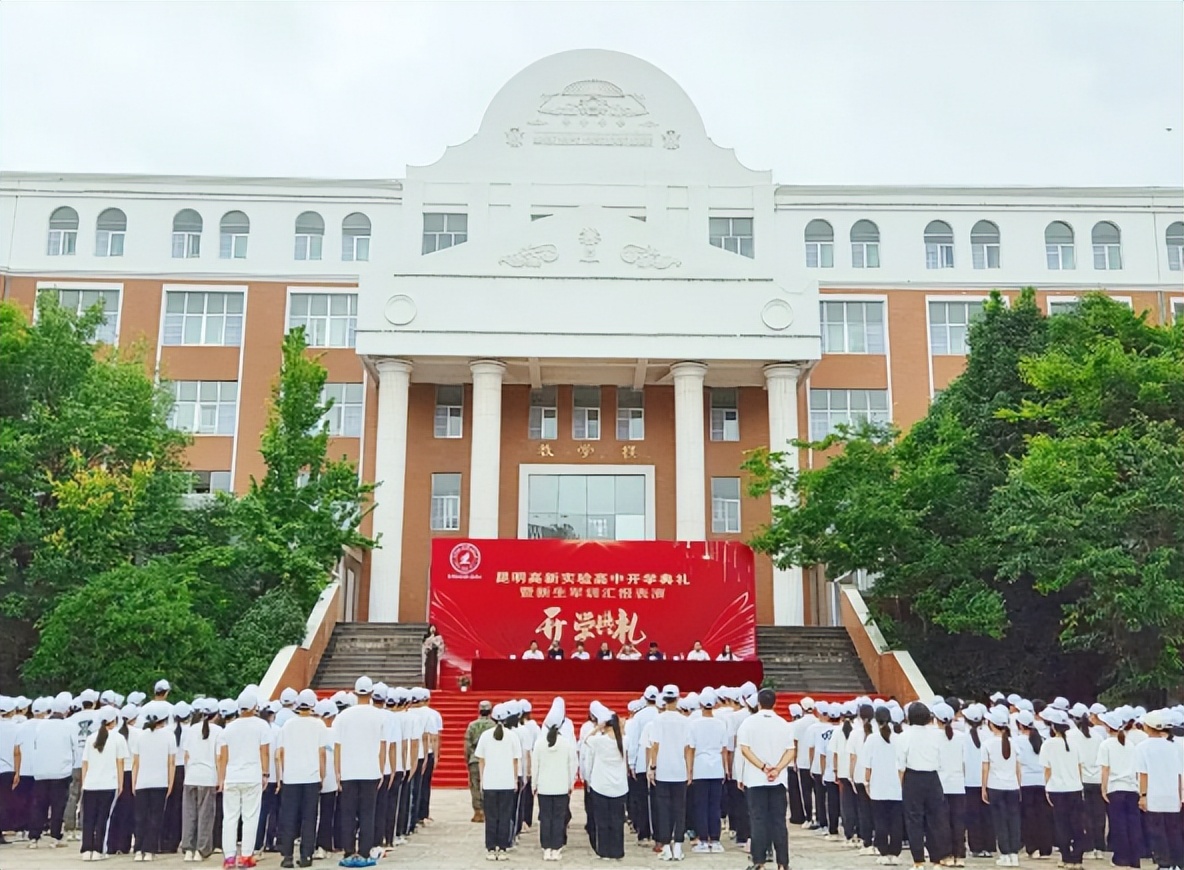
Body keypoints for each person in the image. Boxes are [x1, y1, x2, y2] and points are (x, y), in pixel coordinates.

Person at [736, 687, 795, 870]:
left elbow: (745, 749)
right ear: (774, 703)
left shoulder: (748, 723)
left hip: (756, 779)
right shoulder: (783, 724)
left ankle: (759, 862)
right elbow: (791, 751)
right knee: (779, 822)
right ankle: (783, 863)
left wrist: (763, 767)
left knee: (758, 821)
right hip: (778, 780)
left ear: (759, 703)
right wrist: (777, 769)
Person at [334, 676, 387, 867]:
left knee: (348, 813)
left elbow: (337, 747)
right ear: (371, 693)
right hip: (370, 771)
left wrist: (337, 772)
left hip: (348, 771)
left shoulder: (343, 716)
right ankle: (364, 851)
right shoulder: (379, 716)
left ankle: (349, 850)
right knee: (367, 814)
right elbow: (383, 747)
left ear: (355, 693)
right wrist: (381, 770)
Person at [217, 690, 270, 870]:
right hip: (252, 775)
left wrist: (221, 778)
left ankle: (229, 857)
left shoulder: (228, 728)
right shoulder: (261, 726)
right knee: (250, 817)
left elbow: (223, 757)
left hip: (232, 776)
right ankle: (246, 855)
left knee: (230, 817)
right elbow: (264, 752)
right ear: (255, 707)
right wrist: (265, 773)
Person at [276, 689, 326, 870]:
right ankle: (306, 855)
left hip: (291, 777)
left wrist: (283, 774)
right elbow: (322, 753)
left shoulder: (288, 725)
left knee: (289, 817)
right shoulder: (319, 725)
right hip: (311, 777)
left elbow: (280, 753)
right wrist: (322, 775)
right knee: (309, 817)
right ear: (313, 705)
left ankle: (287, 856)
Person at [898, 702, 951, 868]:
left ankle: (918, 860)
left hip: (913, 777)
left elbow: (901, 764)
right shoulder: (937, 735)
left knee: (914, 820)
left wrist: (902, 784)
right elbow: (942, 759)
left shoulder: (904, 736)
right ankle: (937, 859)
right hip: (933, 778)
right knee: (936, 819)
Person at [1134, 710, 1184, 870]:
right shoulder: (1174, 746)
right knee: (1174, 832)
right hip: (1172, 796)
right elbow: (1179, 774)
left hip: (1154, 796)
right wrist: (1179, 795)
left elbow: (1143, 774)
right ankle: (1177, 863)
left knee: (1157, 832)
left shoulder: (1142, 747)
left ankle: (1164, 863)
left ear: (1147, 727)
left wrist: (1142, 795)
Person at [1039, 708, 1087, 870]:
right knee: (1077, 824)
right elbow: (1079, 767)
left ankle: (1066, 857)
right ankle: (1077, 858)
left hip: (1056, 789)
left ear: (1053, 727)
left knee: (1061, 824)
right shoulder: (1075, 744)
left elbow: (1047, 770)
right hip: (1075, 788)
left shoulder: (1048, 744)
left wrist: (1047, 787)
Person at [647, 684, 690, 861]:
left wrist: (652, 767)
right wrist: (689, 771)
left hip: (663, 770)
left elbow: (655, 745)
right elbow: (688, 748)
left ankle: (666, 846)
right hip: (679, 770)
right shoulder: (685, 721)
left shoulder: (658, 720)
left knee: (663, 809)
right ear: (678, 699)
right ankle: (678, 845)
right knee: (680, 809)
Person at [79, 707, 127, 861]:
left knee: (89, 818)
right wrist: (120, 784)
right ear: (114, 721)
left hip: (90, 784)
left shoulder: (90, 738)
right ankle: (99, 850)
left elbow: (85, 763)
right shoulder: (118, 738)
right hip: (108, 784)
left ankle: (86, 850)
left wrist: (84, 782)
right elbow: (120, 763)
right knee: (103, 818)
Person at [532, 698, 578, 862]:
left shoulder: (539, 744)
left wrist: (534, 784)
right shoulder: (566, 744)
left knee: (545, 818)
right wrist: (571, 783)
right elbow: (572, 764)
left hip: (544, 787)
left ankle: (546, 848)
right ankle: (557, 848)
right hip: (561, 787)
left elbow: (535, 766)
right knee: (558, 818)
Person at [28, 694, 75, 849]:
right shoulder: (69, 726)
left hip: (41, 770)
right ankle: (55, 836)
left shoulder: (40, 725)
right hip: (61, 771)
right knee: (58, 805)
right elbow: (74, 747)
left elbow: (34, 745)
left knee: (39, 804)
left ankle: (34, 837)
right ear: (66, 710)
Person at [474, 703, 521, 861]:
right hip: (506, 782)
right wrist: (515, 780)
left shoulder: (485, 736)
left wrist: (482, 780)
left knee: (491, 816)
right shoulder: (513, 736)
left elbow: (481, 760)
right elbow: (515, 761)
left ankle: (490, 847)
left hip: (490, 782)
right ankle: (502, 848)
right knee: (505, 816)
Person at [584, 702, 628, 860]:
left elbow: (586, 740)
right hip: (619, 786)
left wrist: (597, 728)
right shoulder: (624, 741)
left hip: (601, 785)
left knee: (602, 820)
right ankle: (617, 851)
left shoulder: (600, 741)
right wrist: (621, 727)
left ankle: (604, 850)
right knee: (617, 821)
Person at [860, 705, 904, 864]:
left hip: (878, 786)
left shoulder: (872, 739)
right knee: (896, 821)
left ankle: (883, 852)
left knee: (880, 821)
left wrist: (866, 782)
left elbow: (867, 765)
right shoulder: (899, 738)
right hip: (896, 787)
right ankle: (895, 853)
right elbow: (902, 766)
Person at [1098, 710, 1140, 870]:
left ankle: (1121, 858)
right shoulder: (1130, 744)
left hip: (1115, 788)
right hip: (1132, 788)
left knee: (1118, 824)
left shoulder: (1106, 744)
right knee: (1132, 824)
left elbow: (1105, 769)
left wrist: (1103, 788)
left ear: (1108, 727)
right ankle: (1134, 859)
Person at [132, 707, 177, 861]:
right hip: (160, 782)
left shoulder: (140, 736)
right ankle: (149, 850)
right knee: (155, 817)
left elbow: (136, 763)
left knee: (141, 817)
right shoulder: (169, 736)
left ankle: (138, 850)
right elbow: (171, 762)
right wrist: (171, 782)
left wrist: (134, 782)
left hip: (142, 782)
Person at [688, 687, 728, 853]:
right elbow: (724, 749)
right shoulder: (721, 724)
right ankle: (716, 839)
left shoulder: (694, 724)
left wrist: (689, 771)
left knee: (701, 805)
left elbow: (691, 749)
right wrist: (725, 769)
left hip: (700, 767)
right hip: (717, 767)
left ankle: (703, 839)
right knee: (715, 805)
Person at [181, 698, 221, 863]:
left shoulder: (191, 730)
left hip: (191, 776)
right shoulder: (218, 731)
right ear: (216, 714)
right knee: (205, 816)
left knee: (189, 814)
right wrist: (221, 778)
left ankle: (188, 849)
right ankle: (201, 850)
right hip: (208, 777)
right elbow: (219, 757)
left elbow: (186, 755)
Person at [982, 705, 1021, 867]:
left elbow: (985, 768)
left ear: (992, 725)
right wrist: (1019, 785)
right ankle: (1014, 854)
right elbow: (1018, 768)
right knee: (1014, 820)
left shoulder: (988, 744)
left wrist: (983, 788)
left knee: (1000, 821)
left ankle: (1005, 854)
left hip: (995, 786)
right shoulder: (1014, 743)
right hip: (1012, 786)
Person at [1015, 711, 1053, 860]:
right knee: (1043, 816)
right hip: (1042, 782)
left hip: (1026, 782)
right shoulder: (1042, 739)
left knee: (1028, 817)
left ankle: (1032, 847)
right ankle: (1045, 848)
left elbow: (1018, 764)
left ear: (1020, 725)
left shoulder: (1017, 741)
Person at [961, 704, 996, 859]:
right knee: (987, 815)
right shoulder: (989, 736)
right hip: (987, 781)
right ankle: (989, 846)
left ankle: (976, 847)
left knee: (973, 816)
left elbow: (962, 761)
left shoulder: (963, 737)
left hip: (969, 781)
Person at [465, 701, 495, 823]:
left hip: (475, 758)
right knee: (489, 785)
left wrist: (468, 758)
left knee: (475, 785)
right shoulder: (494, 725)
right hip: (490, 759)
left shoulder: (472, 725)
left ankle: (478, 811)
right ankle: (489, 810)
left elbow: (467, 744)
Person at [421, 625, 444, 690]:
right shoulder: (426, 636)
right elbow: (424, 646)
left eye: (434, 628)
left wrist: (437, 645)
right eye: (432, 628)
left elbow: (441, 646)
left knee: (434, 669)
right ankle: (427, 685)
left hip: (434, 654)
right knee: (428, 670)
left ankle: (433, 686)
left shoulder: (438, 637)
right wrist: (431, 639)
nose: (433, 629)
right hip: (428, 655)